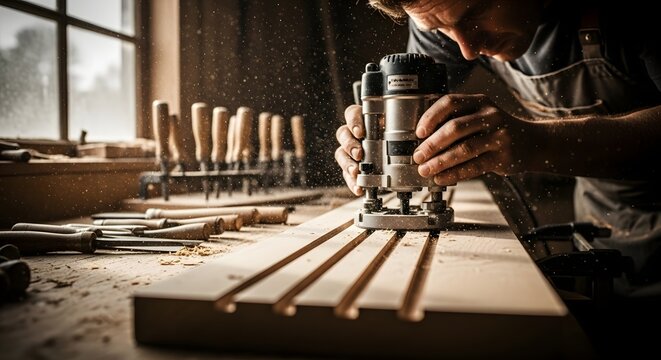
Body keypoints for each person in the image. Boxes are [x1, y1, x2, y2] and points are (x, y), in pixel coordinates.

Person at [335, 0, 661, 295]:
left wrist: (539, 144)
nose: (468, 49)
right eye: (439, 29)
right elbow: (415, 111)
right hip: (603, 218)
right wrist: (370, 139)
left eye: (477, 12)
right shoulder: (439, 11)